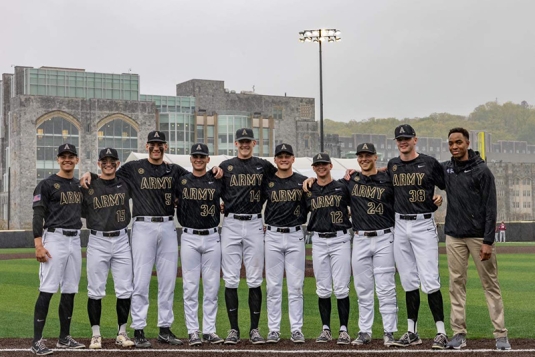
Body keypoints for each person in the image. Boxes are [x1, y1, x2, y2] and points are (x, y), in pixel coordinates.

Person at [442, 127, 510, 350]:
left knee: (490, 285)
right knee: (456, 285)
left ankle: (500, 335)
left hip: (479, 237)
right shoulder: (447, 169)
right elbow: (422, 174)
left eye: (458, 142)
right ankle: (459, 333)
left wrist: (488, 241)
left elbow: (491, 208)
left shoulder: (482, 171)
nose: (454, 146)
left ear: (468, 143)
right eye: (451, 143)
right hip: (454, 236)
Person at [388, 124, 448, 349]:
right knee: (409, 281)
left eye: (406, 138)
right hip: (400, 224)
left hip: (423, 224)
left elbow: (445, 185)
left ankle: (441, 331)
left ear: (415, 139)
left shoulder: (430, 162)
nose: (403, 142)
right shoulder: (393, 165)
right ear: (396, 142)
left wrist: (439, 199)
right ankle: (412, 331)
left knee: (430, 279)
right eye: (399, 139)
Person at [219, 128, 277, 345]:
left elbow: (283, 174)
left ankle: (254, 329)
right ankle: (233, 329)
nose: (244, 145)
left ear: (254, 143)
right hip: (232, 222)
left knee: (254, 279)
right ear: (236, 143)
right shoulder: (225, 166)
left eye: (247, 141)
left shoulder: (263, 165)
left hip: (254, 222)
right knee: (231, 278)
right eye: (241, 141)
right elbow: (213, 187)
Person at [31, 143, 85, 355]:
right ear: (58, 159)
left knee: (70, 290)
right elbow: (38, 214)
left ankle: (64, 338)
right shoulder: (46, 184)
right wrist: (38, 244)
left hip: (75, 239)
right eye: (63, 156)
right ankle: (37, 341)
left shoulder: (79, 185)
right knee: (47, 289)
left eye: (71, 156)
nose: (67, 159)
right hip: (54, 238)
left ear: (76, 160)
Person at [343, 143, 398, 347]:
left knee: (385, 288)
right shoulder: (352, 179)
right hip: (360, 238)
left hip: (384, 237)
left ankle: (389, 331)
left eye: (368, 155)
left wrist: (433, 199)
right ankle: (364, 330)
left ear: (376, 157)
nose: (364, 159)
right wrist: (312, 179)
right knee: (363, 289)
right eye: (361, 156)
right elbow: (329, 186)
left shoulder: (388, 179)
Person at [81, 148, 134, 349]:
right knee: (95, 290)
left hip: (121, 239)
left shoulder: (125, 183)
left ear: (118, 163)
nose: (108, 163)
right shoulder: (89, 184)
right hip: (97, 240)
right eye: (104, 160)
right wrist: (90, 175)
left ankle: (122, 332)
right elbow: (82, 211)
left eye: (112, 160)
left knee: (124, 289)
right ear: (98, 163)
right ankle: (96, 334)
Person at [176, 143, 225, 346]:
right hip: (189, 235)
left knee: (212, 287)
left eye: (202, 156)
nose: (198, 159)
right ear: (190, 158)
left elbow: (231, 198)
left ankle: (210, 330)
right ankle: (193, 330)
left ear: (208, 159)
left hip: (212, 236)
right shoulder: (182, 181)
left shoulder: (217, 179)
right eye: (195, 156)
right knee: (190, 287)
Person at [263, 144, 308, 344]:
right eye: (280, 156)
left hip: (295, 235)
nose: (283, 159)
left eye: (287, 156)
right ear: (275, 159)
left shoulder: (303, 182)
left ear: (293, 158)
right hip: (272, 235)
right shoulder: (268, 181)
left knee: (296, 286)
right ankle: (273, 329)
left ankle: (296, 329)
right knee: (273, 286)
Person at [306, 152, 352, 345]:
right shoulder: (309, 189)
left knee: (341, 288)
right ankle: (326, 329)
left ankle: (343, 330)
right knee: (323, 288)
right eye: (317, 165)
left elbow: (358, 202)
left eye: (324, 164)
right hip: (318, 240)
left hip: (340, 239)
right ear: (314, 168)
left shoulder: (342, 186)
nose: (321, 167)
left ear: (331, 166)